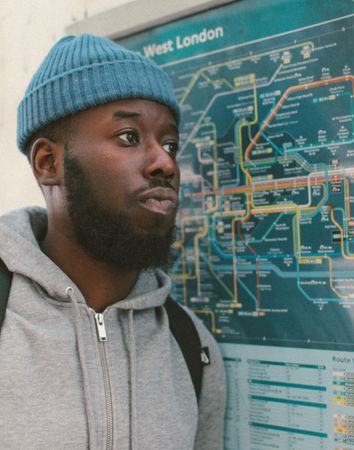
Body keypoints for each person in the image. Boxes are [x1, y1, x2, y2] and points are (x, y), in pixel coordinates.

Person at [0, 34, 226, 449]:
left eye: (170, 143)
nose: (165, 163)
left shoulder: (191, 347)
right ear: (49, 163)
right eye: (128, 137)